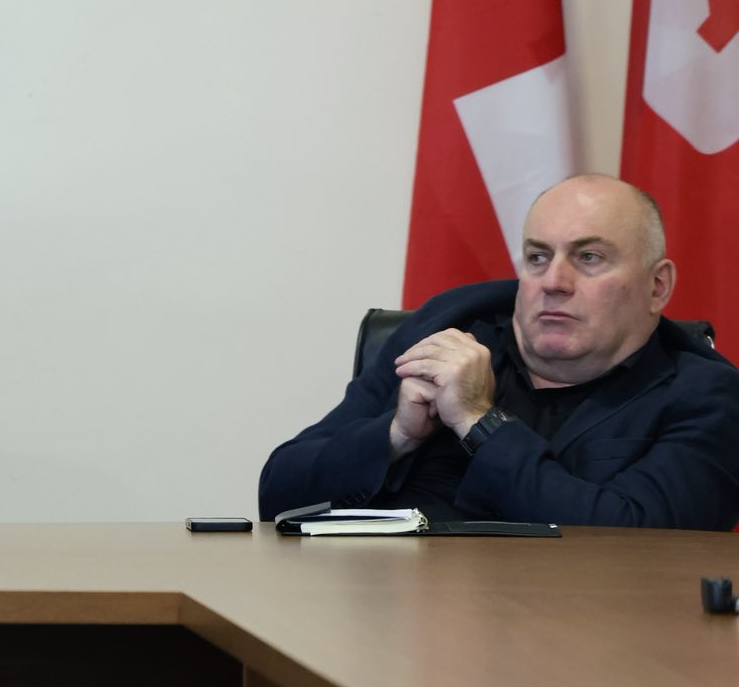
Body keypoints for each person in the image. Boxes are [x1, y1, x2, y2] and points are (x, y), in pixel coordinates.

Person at [259, 174, 739, 529]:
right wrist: (396, 435)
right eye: (538, 257)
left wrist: (479, 422)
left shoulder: (705, 397)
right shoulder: (445, 335)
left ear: (657, 287)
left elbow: (642, 542)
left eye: (589, 257)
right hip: (382, 608)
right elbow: (277, 495)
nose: (554, 281)